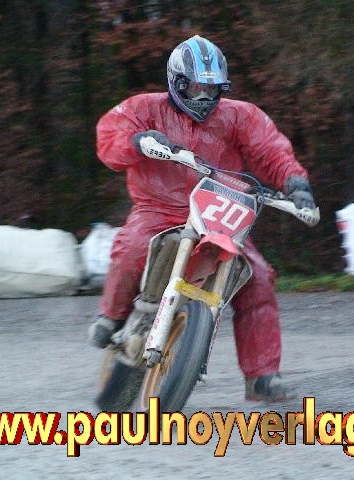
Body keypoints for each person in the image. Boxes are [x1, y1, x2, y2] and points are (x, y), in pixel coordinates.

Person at [88, 35, 316, 402]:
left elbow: (271, 149)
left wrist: (295, 183)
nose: (203, 97)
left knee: (258, 278)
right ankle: (112, 315)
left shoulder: (240, 115)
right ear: (176, 82)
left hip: (220, 209)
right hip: (158, 208)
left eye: (212, 89)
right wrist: (137, 141)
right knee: (131, 247)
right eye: (195, 87)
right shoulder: (144, 107)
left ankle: (262, 376)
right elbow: (109, 136)